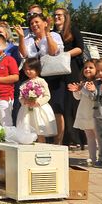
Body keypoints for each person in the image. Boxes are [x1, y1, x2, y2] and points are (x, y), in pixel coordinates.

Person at [15, 12, 65, 144]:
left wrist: (47, 33)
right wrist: (21, 37)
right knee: (36, 110)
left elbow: (54, 51)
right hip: (35, 76)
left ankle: (57, 142)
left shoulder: (54, 35)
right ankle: (38, 140)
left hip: (53, 76)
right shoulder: (29, 40)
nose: (34, 25)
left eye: (37, 22)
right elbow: (24, 55)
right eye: (31, 23)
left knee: (56, 109)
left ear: (45, 23)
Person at [53, 7, 85, 149]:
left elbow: (80, 48)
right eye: (55, 15)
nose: (56, 17)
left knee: (73, 103)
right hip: (57, 71)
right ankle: (65, 138)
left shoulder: (73, 30)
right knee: (62, 104)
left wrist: (65, 55)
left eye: (59, 15)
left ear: (66, 17)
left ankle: (76, 138)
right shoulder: (52, 33)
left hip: (71, 68)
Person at [16, 58, 57, 142]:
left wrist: (38, 102)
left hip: (39, 109)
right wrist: (24, 101)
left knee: (40, 130)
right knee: (28, 129)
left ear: (37, 69)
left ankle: (42, 148)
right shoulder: (24, 83)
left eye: (30, 69)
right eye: (26, 69)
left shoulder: (41, 81)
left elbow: (47, 96)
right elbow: (20, 97)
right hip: (27, 109)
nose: (28, 71)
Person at [69, 60, 99, 166]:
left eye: (91, 67)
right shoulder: (83, 83)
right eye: (86, 67)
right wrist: (76, 90)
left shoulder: (97, 83)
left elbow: (93, 97)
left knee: (98, 136)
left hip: (94, 113)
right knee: (89, 137)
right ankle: (92, 157)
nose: (87, 69)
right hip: (84, 112)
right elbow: (78, 97)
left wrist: (82, 89)